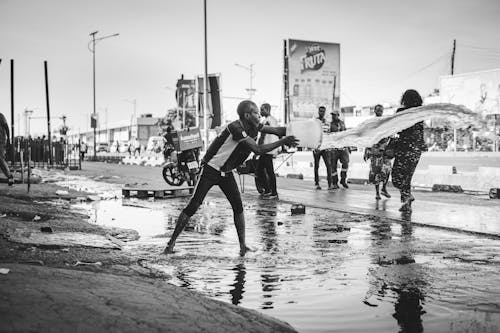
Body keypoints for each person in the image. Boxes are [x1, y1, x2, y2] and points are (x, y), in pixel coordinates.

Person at [163, 100, 297, 255]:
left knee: (238, 207)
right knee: (194, 205)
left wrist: (293, 131)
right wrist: (283, 141)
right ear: (247, 115)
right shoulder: (236, 128)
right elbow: (258, 149)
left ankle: (242, 245)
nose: (259, 115)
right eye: (255, 112)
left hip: (226, 172)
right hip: (210, 169)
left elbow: (277, 130)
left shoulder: (255, 125)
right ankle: (170, 244)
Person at [391, 89, 427, 212]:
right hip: (416, 148)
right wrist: (422, 144)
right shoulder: (420, 112)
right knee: (407, 176)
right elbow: (420, 130)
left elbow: (397, 128)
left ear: (404, 98)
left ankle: (407, 198)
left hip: (404, 146)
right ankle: (406, 202)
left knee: (397, 177)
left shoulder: (401, 111)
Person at [363, 104, 392, 200]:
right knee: (376, 172)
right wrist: (366, 151)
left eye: (381, 110)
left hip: (385, 151)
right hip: (375, 151)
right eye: (378, 110)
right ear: (374, 111)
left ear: (383, 111)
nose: (379, 111)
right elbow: (368, 137)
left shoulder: (385, 122)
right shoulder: (372, 123)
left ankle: (384, 188)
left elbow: (389, 134)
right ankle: (377, 193)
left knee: (387, 170)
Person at [256, 103, 280, 199]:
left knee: (266, 171)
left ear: (267, 110)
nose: (260, 111)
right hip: (271, 148)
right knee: (262, 170)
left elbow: (262, 136)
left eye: (262, 110)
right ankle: (268, 190)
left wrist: (258, 149)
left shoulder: (266, 121)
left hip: (266, 149)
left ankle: (272, 192)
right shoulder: (273, 120)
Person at [313, 106, 333, 190]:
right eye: (320, 111)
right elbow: (312, 134)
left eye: (323, 111)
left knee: (328, 165)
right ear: (318, 112)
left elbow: (328, 135)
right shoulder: (314, 122)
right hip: (317, 147)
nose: (322, 113)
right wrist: (314, 146)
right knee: (316, 165)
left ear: (325, 112)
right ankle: (317, 183)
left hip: (325, 147)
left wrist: (329, 146)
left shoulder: (328, 123)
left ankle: (330, 184)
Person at [330, 110, 349, 189]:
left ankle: (343, 180)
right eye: (332, 115)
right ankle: (335, 182)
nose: (333, 116)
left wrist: (348, 146)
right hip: (334, 148)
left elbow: (346, 134)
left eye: (335, 115)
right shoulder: (330, 125)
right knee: (333, 166)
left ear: (338, 115)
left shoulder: (342, 123)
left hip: (343, 147)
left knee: (345, 163)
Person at [0, 112, 14, 186]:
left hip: (1, 141)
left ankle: (9, 176)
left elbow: (6, 127)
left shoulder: (0, 116)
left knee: (0, 159)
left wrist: (8, 139)